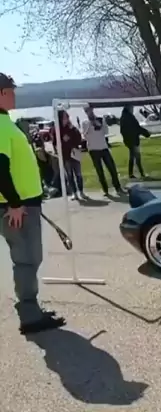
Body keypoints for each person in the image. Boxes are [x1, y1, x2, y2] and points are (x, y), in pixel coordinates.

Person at [0, 73, 66, 335]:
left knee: (29, 258)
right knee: (26, 258)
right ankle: (29, 315)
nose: (14, 95)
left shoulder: (6, 123)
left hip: (22, 205)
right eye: (10, 91)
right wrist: (15, 203)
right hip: (17, 208)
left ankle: (29, 308)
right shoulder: (1, 126)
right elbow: (0, 169)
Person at [82, 106, 123, 196]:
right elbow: (85, 135)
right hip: (93, 149)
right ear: (85, 112)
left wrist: (100, 124)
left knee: (112, 168)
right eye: (87, 111)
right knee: (99, 171)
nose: (89, 112)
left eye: (90, 110)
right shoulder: (85, 122)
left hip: (104, 147)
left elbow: (106, 132)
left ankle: (118, 188)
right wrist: (90, 125)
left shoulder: (100, 119)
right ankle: (105, 190)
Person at [52, 110, 86, 200]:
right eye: (64, 117)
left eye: (66, 117)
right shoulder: (56, 129)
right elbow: (54, 142)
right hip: (65, 155)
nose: (66, 119)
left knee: (78, 174)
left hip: (74, 154)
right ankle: (74, 193)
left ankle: (81, 191)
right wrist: (62, 141)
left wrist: (71, 138)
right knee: (69, 175)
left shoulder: (71, 127)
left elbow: (79, 138)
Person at [120, 105, 150, 179]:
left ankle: (131, 174)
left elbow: (123, 130)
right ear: (129, 108)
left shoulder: (123, 117)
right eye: (132, 108)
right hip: (133, 140)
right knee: (137, 157)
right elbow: (136, 128)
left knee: (133, 157)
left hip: (129, 140)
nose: (133, 109)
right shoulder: (130, 117)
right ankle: (141, 173)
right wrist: (146, 133)